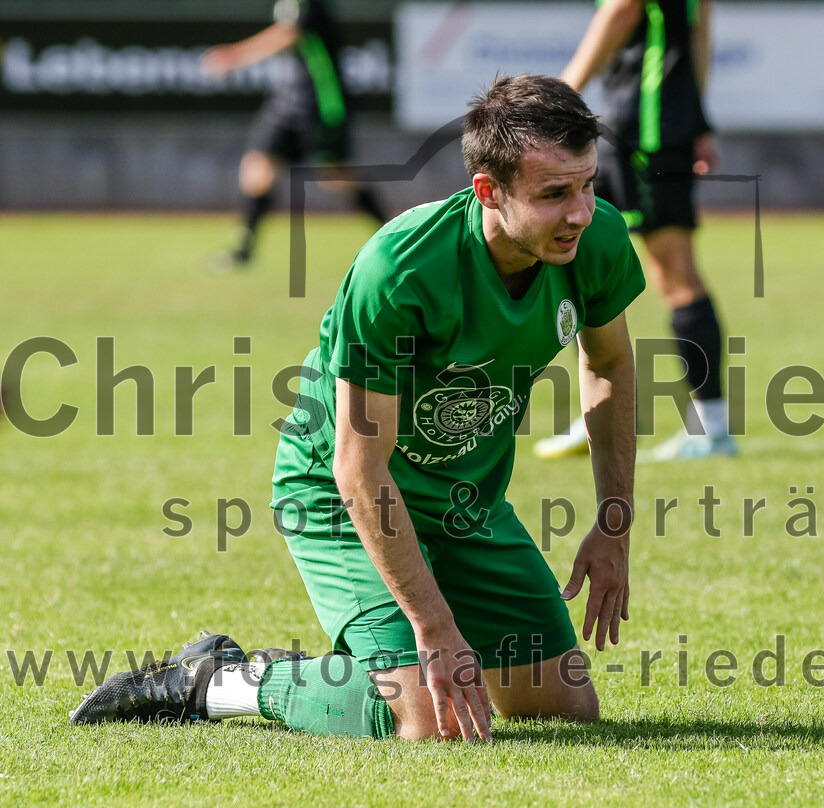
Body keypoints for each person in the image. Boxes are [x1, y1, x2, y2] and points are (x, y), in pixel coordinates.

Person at [71, 75, 645, 742]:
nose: (581, 211)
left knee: (563, 709)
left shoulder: (595, 239)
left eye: (588, 185)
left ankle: (381, 658)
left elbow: (608, 364)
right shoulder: (400, 271)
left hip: (464, 502)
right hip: (338, 493)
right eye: (554, 194)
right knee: (430, 722)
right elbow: (358, 467)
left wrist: (613, 525)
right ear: (488, 191)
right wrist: (434, 629)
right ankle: (221, 680)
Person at [534, 0, 736, 460]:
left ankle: (712, 429)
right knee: (578, 257)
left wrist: (559, 98)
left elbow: (621, 10)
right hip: (654, 126)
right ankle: (595, 413)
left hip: (644, 130)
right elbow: (700, 26)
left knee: (676, 276)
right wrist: (697, 118)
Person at [202, 0, 387, 270]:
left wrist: (234, 55)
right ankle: (244, 249)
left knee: (335, 177)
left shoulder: (310, 3)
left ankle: (395, 233)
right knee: (258, 166)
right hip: (286, 101)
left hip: (321, 101)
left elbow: (289, 32)